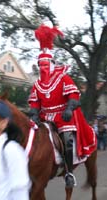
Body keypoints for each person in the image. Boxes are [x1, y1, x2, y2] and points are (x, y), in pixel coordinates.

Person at [28, 24, 96, 188]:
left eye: (45, 65)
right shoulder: (37, 84)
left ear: (51, 64)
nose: (43, 68)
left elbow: (73, 95)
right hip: (45, 117)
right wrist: (34, 114)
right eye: (40, 65)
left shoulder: (63, 78)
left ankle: (68, 172)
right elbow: (35, 102)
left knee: (66, 139)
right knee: (30, 137)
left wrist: (69, 108)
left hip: (63, 116)